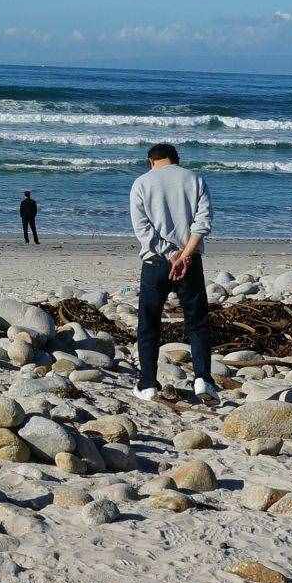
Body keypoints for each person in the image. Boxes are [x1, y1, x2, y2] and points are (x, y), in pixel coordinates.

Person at [128, 142, 214, 401]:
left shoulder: (141, 183)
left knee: (149, 323)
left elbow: (143, 229)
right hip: (190, 261)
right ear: (176, 159)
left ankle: (147, 384)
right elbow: (203, 222)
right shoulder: (194, 179)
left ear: (150, 161)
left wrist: (170, 254)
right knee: (196, 322)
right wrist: (184, 255)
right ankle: (202, 380)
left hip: (156, 262)